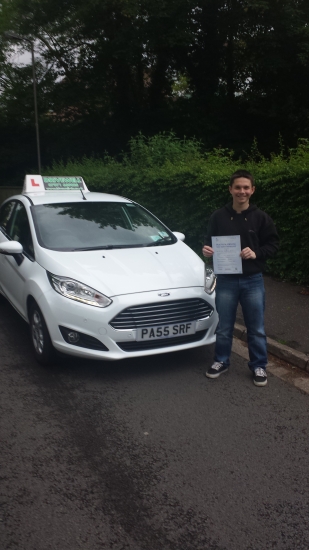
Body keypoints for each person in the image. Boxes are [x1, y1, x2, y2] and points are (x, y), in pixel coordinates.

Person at [202, 169, 279, 386]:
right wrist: (206, 250)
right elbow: (208, 241)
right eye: (238, 187)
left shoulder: (261, 217)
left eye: (246, 187)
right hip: (225, 280)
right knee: (224, 326)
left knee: (256, 328)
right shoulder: (218, 216)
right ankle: (221, 361)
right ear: (230, 189)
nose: (242, 191)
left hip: (252, 280)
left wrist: (256, 253)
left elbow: (273, 244)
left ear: (252, 190)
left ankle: (259, 365)